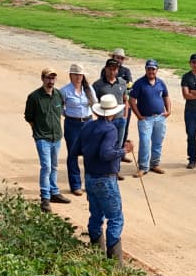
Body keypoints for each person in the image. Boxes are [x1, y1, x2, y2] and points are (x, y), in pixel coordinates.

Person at [75, 94, 133, 262]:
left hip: (90, 177)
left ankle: (96, 253)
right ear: (112, 113)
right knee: (115, 218)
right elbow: (106, 153)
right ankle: (114, 262)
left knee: (96, 215)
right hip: (105, 179)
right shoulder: (110, 129)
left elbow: (75, 150)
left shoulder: (87, 126)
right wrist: (124, 151)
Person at [24, 66, 70, 212]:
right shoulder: (34, 97)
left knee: (54, 166)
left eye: (53, 78)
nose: (51, 81)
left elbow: (60, 111)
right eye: (48, 78)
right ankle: (45, 197)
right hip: (42, 137)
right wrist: (37, 130)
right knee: (47, 167)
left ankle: (54, 192)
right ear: (42, 79)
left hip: (56, 136)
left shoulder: (59, 95)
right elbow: (29, 117)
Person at [129, 59, 171, 176]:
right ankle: (143, 167)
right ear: (145, 69)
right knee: (145, 142)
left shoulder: (161, 83)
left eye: (153, 69)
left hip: (160, 117)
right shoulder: (139, 83)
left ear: (157, 70)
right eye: (149, 69)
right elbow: (132, 100)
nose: (151, 71)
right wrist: (138, 115)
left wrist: (168, 110)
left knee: (158, 142)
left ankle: (154, 164)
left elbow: (166, 97)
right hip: (145, 119)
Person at [60, 63, 97, 196]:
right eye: (76, 74)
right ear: (70, 75)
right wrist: (68, 115)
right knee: (73, 153)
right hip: (72, 124)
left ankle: (89, 183)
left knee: (89, 154)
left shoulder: (88, 89)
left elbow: (95, 104)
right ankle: (75, 185)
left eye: (80, 75)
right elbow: (60, 107)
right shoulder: (64, 91)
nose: (78, 77)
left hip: (87, 122)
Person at [92, 58, 131, 180]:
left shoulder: (122, 83)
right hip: (106, 121)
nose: (112, 72)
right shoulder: (98, 85)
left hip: (120, 120)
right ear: (105, 69)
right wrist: (100, 117)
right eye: (110, 69)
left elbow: (125, 100)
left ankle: (115, 170)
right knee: (106, 147)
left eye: (115, 69)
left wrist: (125, 116)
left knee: (118, 146)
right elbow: (93, 103)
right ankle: (104, 170)